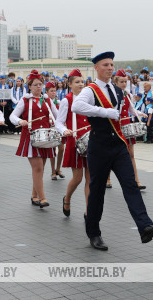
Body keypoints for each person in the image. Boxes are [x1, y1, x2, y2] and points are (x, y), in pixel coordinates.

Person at [71, 51, 153, 252]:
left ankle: (145, 227)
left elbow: (127, 110)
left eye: (111, 64)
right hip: (99, 145)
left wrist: (137, 114)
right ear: (96, 67)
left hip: (119, 145)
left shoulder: (117, 89)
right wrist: (104, 112)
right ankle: (94, 233)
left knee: (130, 185)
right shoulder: (91, 90)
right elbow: (76, 106)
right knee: (97, 191)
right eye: (105, 65)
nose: (110, 68)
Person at [10, 70, 59, 208]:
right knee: (37, 167)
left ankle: (34, 195)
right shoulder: (24, 100)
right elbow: (12, 116)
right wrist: (20, 122)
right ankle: (42, 198)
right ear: (29, 86)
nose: (39, 87)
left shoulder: (47, 100)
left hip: (46, 137)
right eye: (36, 85)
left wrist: (56, 121)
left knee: (41, 168)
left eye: (40, 84)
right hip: (31, 137)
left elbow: (58, 115)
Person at [55, 69, 90, 217]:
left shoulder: (89, 98)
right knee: (77, 178)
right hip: (75, 141)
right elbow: (59, 122)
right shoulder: (67, 100)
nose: (81, 84)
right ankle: (67, 198)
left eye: (82, 81)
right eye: (77, 82)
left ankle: (89, 211)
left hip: (90, 140)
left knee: (91, 179)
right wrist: (64, 131)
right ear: (69, 84)